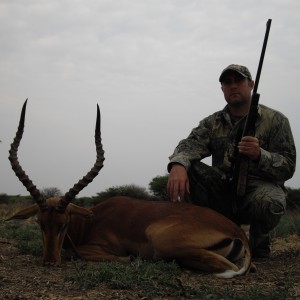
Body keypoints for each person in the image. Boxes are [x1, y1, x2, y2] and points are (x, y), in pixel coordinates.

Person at [167, 64, 296, 258]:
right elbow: (189, 145)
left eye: (238, 81)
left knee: (272, 201)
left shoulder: (276, 120)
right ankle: (201, 239)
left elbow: (288, 166)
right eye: (227, 83)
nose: (233, 86)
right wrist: (178, 164)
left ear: (251, 84)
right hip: (222, 189)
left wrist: (260, 155)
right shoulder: (213, 122)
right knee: (188, 169)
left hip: (256, 191)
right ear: (222, 89)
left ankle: (258, 245)